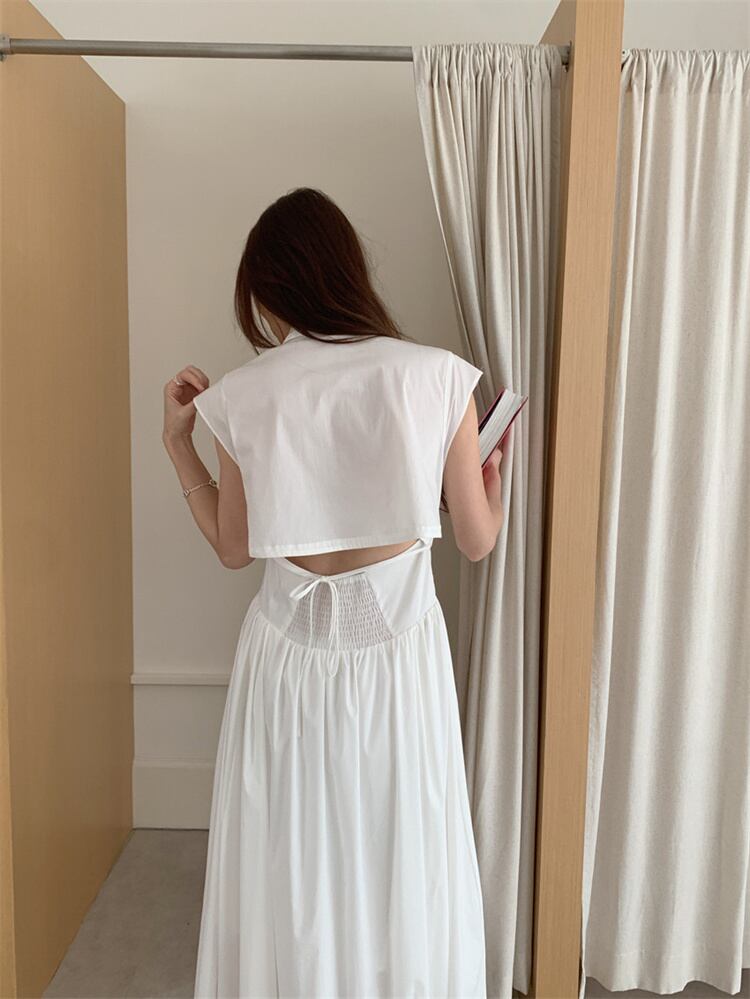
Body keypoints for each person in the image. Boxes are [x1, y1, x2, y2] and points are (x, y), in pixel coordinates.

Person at [162, 188, 504, 998]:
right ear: (347, 269)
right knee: (401, 849)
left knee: (291, 853)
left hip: (285, 661)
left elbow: (234, 548)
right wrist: (493, 478)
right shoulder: (437, 378)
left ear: (269, 291)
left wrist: (180, 445)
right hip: (399, 664)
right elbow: (476, 538)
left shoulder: (244, 394)